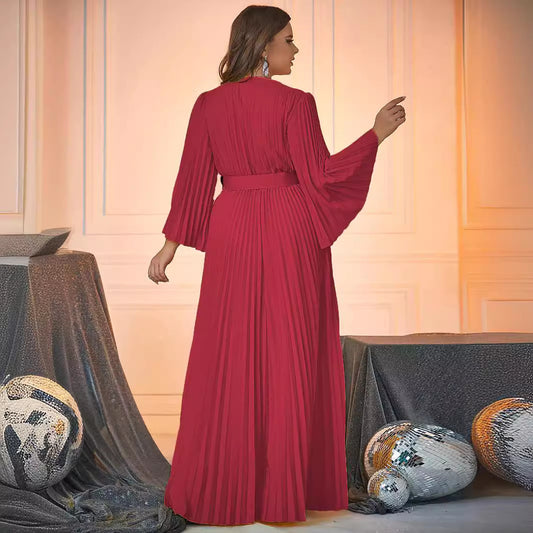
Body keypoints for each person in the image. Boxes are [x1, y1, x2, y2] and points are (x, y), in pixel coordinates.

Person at [147, 4, 406, 527]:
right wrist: (375, 134)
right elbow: (322, 177)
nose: (294, 49)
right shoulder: (296, 104)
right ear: (264, 44)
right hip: (290, 231)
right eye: (288, 39)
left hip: (233, 228)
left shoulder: (208, 104)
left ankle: (227, 488)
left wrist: (169, 246)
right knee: (290, 351)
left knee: (230, 351)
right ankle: (282, 492)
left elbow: (193, 178)